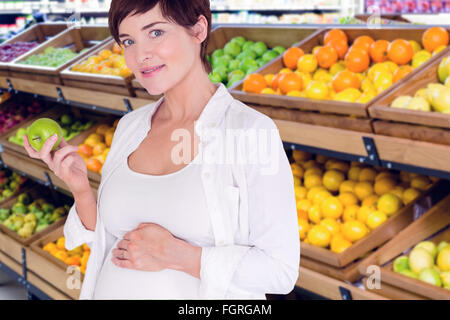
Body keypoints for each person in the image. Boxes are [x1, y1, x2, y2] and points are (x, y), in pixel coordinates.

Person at [23, 0, 300, 300]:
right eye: (128, 41)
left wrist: (177, 255)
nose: (140, 55)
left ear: (198, 29)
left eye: (155, 33)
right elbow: (109, 239)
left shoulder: (250, 132)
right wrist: (81, 190)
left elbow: (280, 271)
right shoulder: (130, 127)